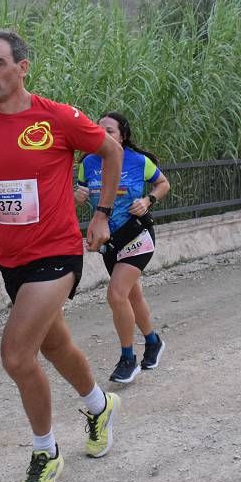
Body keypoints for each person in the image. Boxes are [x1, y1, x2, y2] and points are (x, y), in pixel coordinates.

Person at [0, 29, 125, 482]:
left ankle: (46, 453)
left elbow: (111, 151)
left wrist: (103, 215)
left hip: (58, 251)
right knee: (55, 344)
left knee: (15, 355)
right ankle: (98, 404)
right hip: (12, 259)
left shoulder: (58, 117)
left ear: (22, 67)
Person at [75, 112, 171, 383]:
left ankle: (128, 358)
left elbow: (163, 184)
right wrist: (78, 196)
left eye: (110, 131)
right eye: (99, 130)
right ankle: (153, 342)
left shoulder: (139, 161)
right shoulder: (88, 163)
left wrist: (148, 200)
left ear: (123, 135)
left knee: (116, 295)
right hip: (109, 242)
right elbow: (81, 196)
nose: (103, 135)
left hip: (137, 234)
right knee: (132, 297)